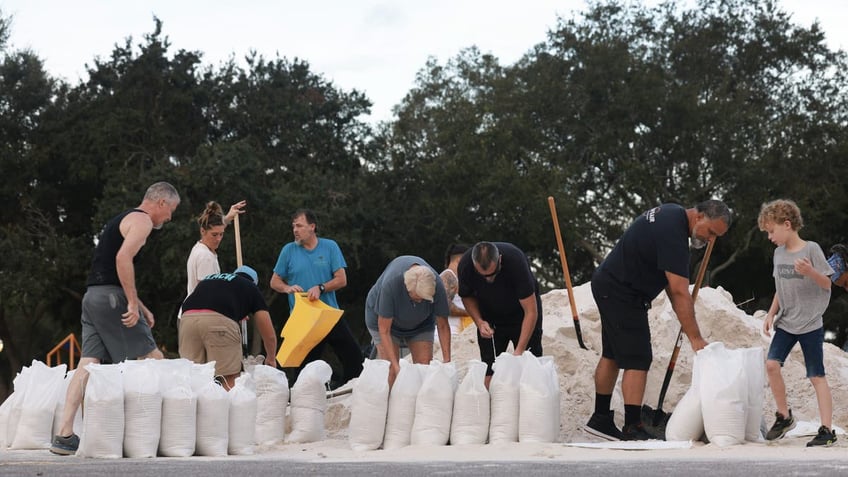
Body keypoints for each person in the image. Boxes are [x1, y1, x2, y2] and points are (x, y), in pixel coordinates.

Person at [50, 182, 181, 455]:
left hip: (93, 298)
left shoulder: (121, 219)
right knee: (153, 357)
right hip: (112, 299)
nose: (170, 218)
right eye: (171, 210)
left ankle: (64, 434)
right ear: (161, 203)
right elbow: (123, 259)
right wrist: (131, 303)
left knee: (87, 363)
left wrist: (141, 305)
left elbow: (109, 268)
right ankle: (174, 433)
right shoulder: (143, 221)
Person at [584, 200, 731, 442]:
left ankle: (601, 419)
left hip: (611, 284)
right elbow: (680, 291)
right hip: (622, 290)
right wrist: (695, 337)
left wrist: (685, 321)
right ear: (699, 217)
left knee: (612, 354)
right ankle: (632, 426)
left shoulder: (671, 214)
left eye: (717, 237)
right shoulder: (673, 236)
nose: (711, 240)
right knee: (639, 357)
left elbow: (672, 289)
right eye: (711, 232)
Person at [758, 199, 837, 447]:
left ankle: (827, 430)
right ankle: (784, 416)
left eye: (771, 231)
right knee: (772, 364)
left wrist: (811, 272)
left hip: (810, 322)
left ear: (787, 224)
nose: (770, 237)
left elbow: (827, 284)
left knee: (816, 375)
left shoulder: (811, 249)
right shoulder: (778, 254)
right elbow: (780, 288)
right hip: (787, 321)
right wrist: (771, 313)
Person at [270, 209, 363, 387]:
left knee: (355, 359)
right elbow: (274, 281)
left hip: (329, 315)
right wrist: (287, 288)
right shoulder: (288, 250)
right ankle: (301, 401)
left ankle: (349, 390)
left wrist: (321, 287)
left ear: (312, 227)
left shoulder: (330, 247)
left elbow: (341, 279)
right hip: (303, 319)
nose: (295, 230)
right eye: (293, 226)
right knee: (303, 370)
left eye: (299, 226)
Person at [457, 241, 543, 387]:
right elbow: (466, 296)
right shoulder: (465, 266)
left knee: (530, 364)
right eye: (482, 275)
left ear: (500, 260)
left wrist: (519, 351)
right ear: (474, 265)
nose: (488, 279)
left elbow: (531, 311)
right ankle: (491, 404)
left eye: (492, 274)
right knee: (489, 368)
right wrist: (479, 321)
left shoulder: (516, 262)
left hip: (521, 315)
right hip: (489, 316)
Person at [180, 265, 277, 390]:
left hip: (187, 319)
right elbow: (268, 334)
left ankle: (187, 407)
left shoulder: (210, 279)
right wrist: (271, 357)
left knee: (193, 375)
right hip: (218, 321)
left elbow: (211, 302)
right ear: (254, 282)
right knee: (228, 378)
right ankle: (227, 406)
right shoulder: (250, 286)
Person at [366, 255, 451, 386]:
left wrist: (447, 361)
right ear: (407, 288)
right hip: (387, 324)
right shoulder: (391, 285)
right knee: (391, 372)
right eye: (416, 298)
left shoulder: (436, 285)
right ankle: (390, 404)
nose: (420, 302)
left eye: (424, 299)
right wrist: (396, 366)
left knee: (423, 368)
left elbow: (443, 326)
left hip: (422, 323)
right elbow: (384, 330)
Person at [186, 200, 246, 295]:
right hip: (201, 309)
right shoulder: (205, 257)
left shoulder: (200, 247)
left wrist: (227, 218)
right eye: (214, 235)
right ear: (202, 231)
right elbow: (208, 293)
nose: (218, 239)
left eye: (221, 234)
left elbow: (216, 228)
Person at [437, 243, 473, 340]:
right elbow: (444, 306)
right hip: (450, 332)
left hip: (455, 332)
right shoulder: (448, 276)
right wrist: (471, 312)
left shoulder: (456, 278)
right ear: (460, 260)